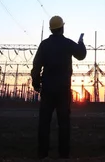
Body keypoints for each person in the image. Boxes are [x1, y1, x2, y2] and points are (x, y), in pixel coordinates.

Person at [31, 15, 87, 159]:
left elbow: (36, 66)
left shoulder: (44, 45)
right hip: (63, 90)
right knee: (64, 123)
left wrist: (36, 83)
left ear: (51, 29)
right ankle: (64, 154)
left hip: (48, 89)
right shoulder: (67, 43)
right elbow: (81, 55)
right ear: (62, 28)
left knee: (44, 122)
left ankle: (42, 154)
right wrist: (81, 42)